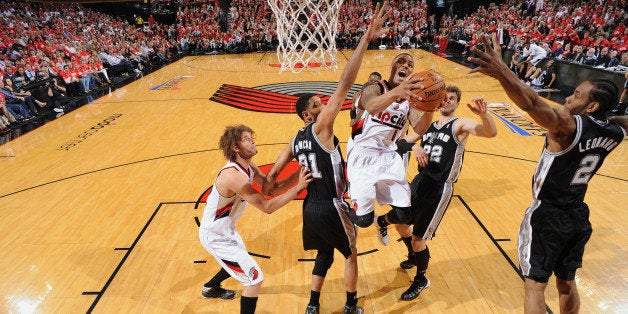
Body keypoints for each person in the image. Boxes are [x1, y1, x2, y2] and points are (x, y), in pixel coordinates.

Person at [469, 34, 627, 314]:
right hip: (578, 214)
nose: (568, 97)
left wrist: (502, 70)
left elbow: (531, 104)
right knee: (567, 283)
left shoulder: (567, 125)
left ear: (591, 107)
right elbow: (617, 119)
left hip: (548, 214)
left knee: (535, 286)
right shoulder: (615, 130)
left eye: (577, 95)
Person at [263, 4, 390, 314]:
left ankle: (312, 305)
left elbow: (270, 184)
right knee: (350, 254)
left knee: (323, 255)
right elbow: (346, 84)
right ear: (308, 114)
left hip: (309, 207)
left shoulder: (294, 141)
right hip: (333, 205)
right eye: (318, 105)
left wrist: (295, 178)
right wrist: (365, 39)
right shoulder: (320, 128)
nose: (324, 107)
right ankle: (349, 306)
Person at [393, 86, 497, 301]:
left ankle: (421, 278)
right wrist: (414, 148)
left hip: (440, 188)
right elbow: (401, 144)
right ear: (438, 101)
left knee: (418, 239)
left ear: (457, 103)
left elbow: (490, 132)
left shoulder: (460, 124)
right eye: (444, 98)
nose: (447, 101)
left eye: (452, 99)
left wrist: (484, 116)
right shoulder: (427, 125)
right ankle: (414, 256)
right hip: (420, 181)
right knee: (401, 224)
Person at [198, 124, 312, 314]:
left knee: (237, 263)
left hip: (227, 229)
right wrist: (298, 188)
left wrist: (299, 172)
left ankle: (210, 288)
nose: (252, 141)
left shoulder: (249, 168)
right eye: (246, 139)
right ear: (236, 147)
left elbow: (271, 189)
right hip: (215, 235)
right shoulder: (232, 176)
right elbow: (267, 207)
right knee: (254, 279)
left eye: (252, 137)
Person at [346, 49, 435, 246]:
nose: (405, 65)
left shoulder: (409, 100)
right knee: (363, 221)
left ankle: (381, 222)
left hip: (388, 155)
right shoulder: (375, 86)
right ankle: (348, 208)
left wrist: (429, 109)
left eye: (410, 64)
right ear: (392, 67)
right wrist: (398, 91)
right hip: (362, 153)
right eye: (401, 61)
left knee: (404, 213)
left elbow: (420, 128)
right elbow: (371, 106)